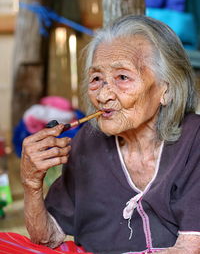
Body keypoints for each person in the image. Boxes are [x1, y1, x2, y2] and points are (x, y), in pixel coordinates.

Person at [10, 15, 200, 253]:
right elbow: (48, 238)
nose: (103, 95)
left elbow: (190, 248)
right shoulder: (87, 143)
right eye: (97, 79)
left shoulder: (194, 140)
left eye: (122, 77)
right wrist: (31, 183)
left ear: (166, 90)